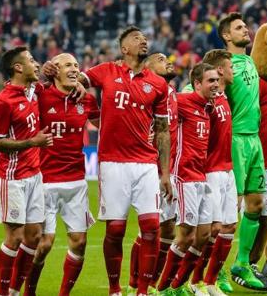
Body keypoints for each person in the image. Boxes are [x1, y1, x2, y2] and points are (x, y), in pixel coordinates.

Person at [43, 26, 172, 296]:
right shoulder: (105, 71)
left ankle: (142, 291)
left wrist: (164, 173)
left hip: (146, 163)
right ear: (124, 48)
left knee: (151, 226)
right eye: (137, 38)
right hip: (112, 163)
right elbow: (76, 80)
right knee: (115, 229)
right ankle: (115, 289)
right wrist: (52, 74)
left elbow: (162, 130)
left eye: (145, 38)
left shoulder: (158, 84)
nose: (144, 40)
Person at [23, 53, 100, 296]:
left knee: (79, 242)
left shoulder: (86, 100)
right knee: (43, 244)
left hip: (76, 181)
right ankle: (29, 292)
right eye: (68, 65)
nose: (75, 68)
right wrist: (40, 76)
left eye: (77, 65)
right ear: (55, 70)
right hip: (44, 181)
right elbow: (18, 85)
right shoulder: (41, 95)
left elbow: (105, 123)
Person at [0, 47, 52, 296]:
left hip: (34, 175)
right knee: (14, 237)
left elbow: (52, 83)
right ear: (18, 68)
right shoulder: (2, 101)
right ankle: (3, 293)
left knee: (34, 236)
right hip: (11, 178)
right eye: (31, 61)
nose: (36, 64)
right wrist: (32, 142)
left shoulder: (33, 91)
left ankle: (16, 291)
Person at [156, 63, 219, 295]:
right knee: (185, 237)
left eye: (216, 80)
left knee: (204, 235)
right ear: (197, 84)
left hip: (201, 177)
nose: (215, 85)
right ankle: (164, 289)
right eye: (210, 81)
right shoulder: (182, 102)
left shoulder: (207, 108)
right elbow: (160, 113)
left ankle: (179, 285)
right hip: (184, 177)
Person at [217, 12, 267, 290]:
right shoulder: (221, 66)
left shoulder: (249, 61)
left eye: (245, 26)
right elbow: (200, 88)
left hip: (255, 140)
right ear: (227, 36)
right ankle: (216, 271)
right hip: (235, 140)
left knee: (256, 204)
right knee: (230, 210)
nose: (245, 30)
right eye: (239, 28)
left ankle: (242, 263)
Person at [129, 53, 178, 296]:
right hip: (152, 169)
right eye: (160, 59)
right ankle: (133, 285)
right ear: (147, 68)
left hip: (173, 170)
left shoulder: (173, 94)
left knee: (169, 230)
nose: (167, 60)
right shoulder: (144, 94)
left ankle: (154, 284)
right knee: (149, 230)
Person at [189, 49, 236, 296]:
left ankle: (211, 281)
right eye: (229, 67)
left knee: (229, 228)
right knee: (210, 230)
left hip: (228, 170)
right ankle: (194, 281)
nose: (232, 71)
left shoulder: (224, 97)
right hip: (211, 171)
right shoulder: (204, 102)